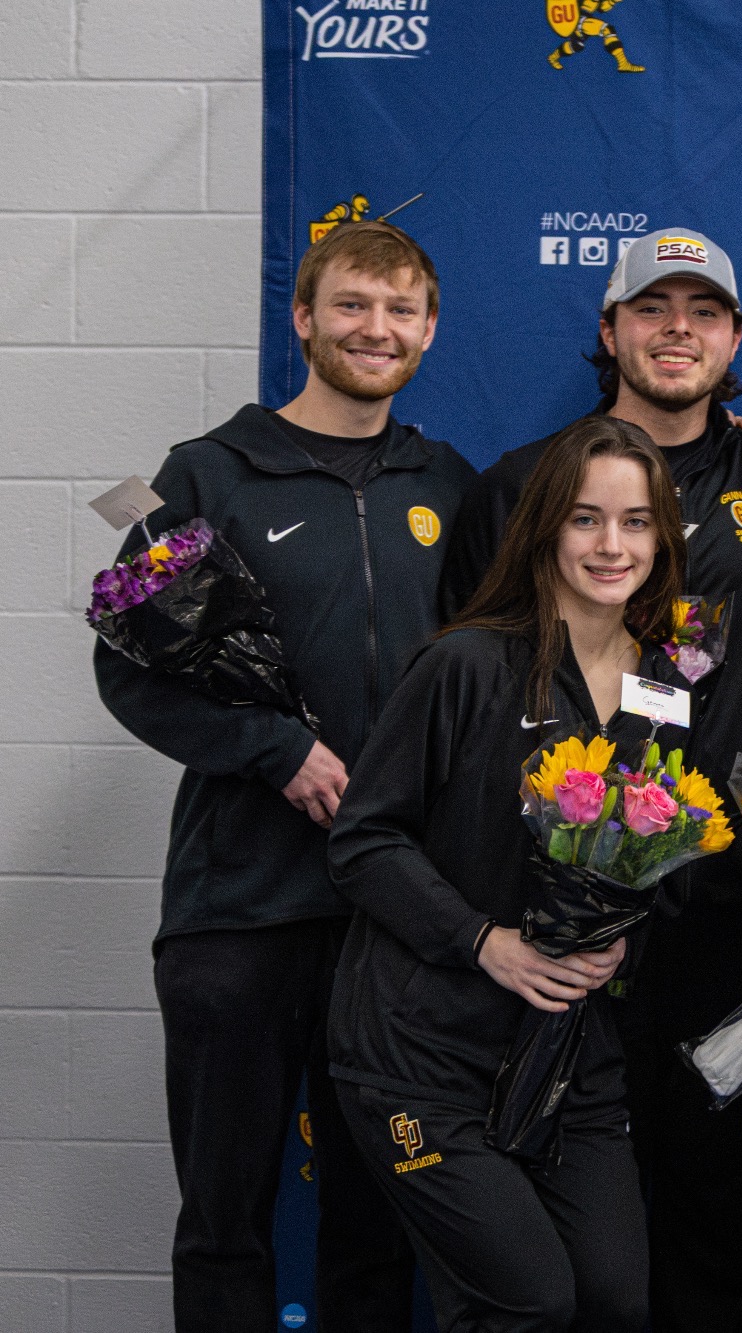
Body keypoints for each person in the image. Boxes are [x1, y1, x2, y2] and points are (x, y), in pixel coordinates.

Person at [92, 220, 465, 1332]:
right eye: (351, 305)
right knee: (223, 1223)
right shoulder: (205, 473)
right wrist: (277, 750)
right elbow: (130, 671)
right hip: (236, 915)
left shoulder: (445, 481)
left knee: (375, 1223)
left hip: (387, 921)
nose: (376, 329)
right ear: (301, 318)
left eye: (400, 310)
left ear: (430, 330)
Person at [439, 229, 742, 1331]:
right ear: (609, 331)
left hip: (724, 913)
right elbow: (469, 683)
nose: (675, 328)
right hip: (551, 913)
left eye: (702, 311)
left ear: (734, 337)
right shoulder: (518, 486)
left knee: (711, 1199)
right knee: (561, 1226)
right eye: (650, 307)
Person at [326, 416, 690, 1332]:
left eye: (637, 522)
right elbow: (363, 842)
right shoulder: (466, 663)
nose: (613, 545)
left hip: (572, 1062)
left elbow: (659, 868)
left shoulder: (664, 692)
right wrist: (482, 940)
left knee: (613, 1297)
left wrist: (619, 942)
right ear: (543, 529)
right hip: (423, 1059)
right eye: (586, 519)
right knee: (524, 1300)